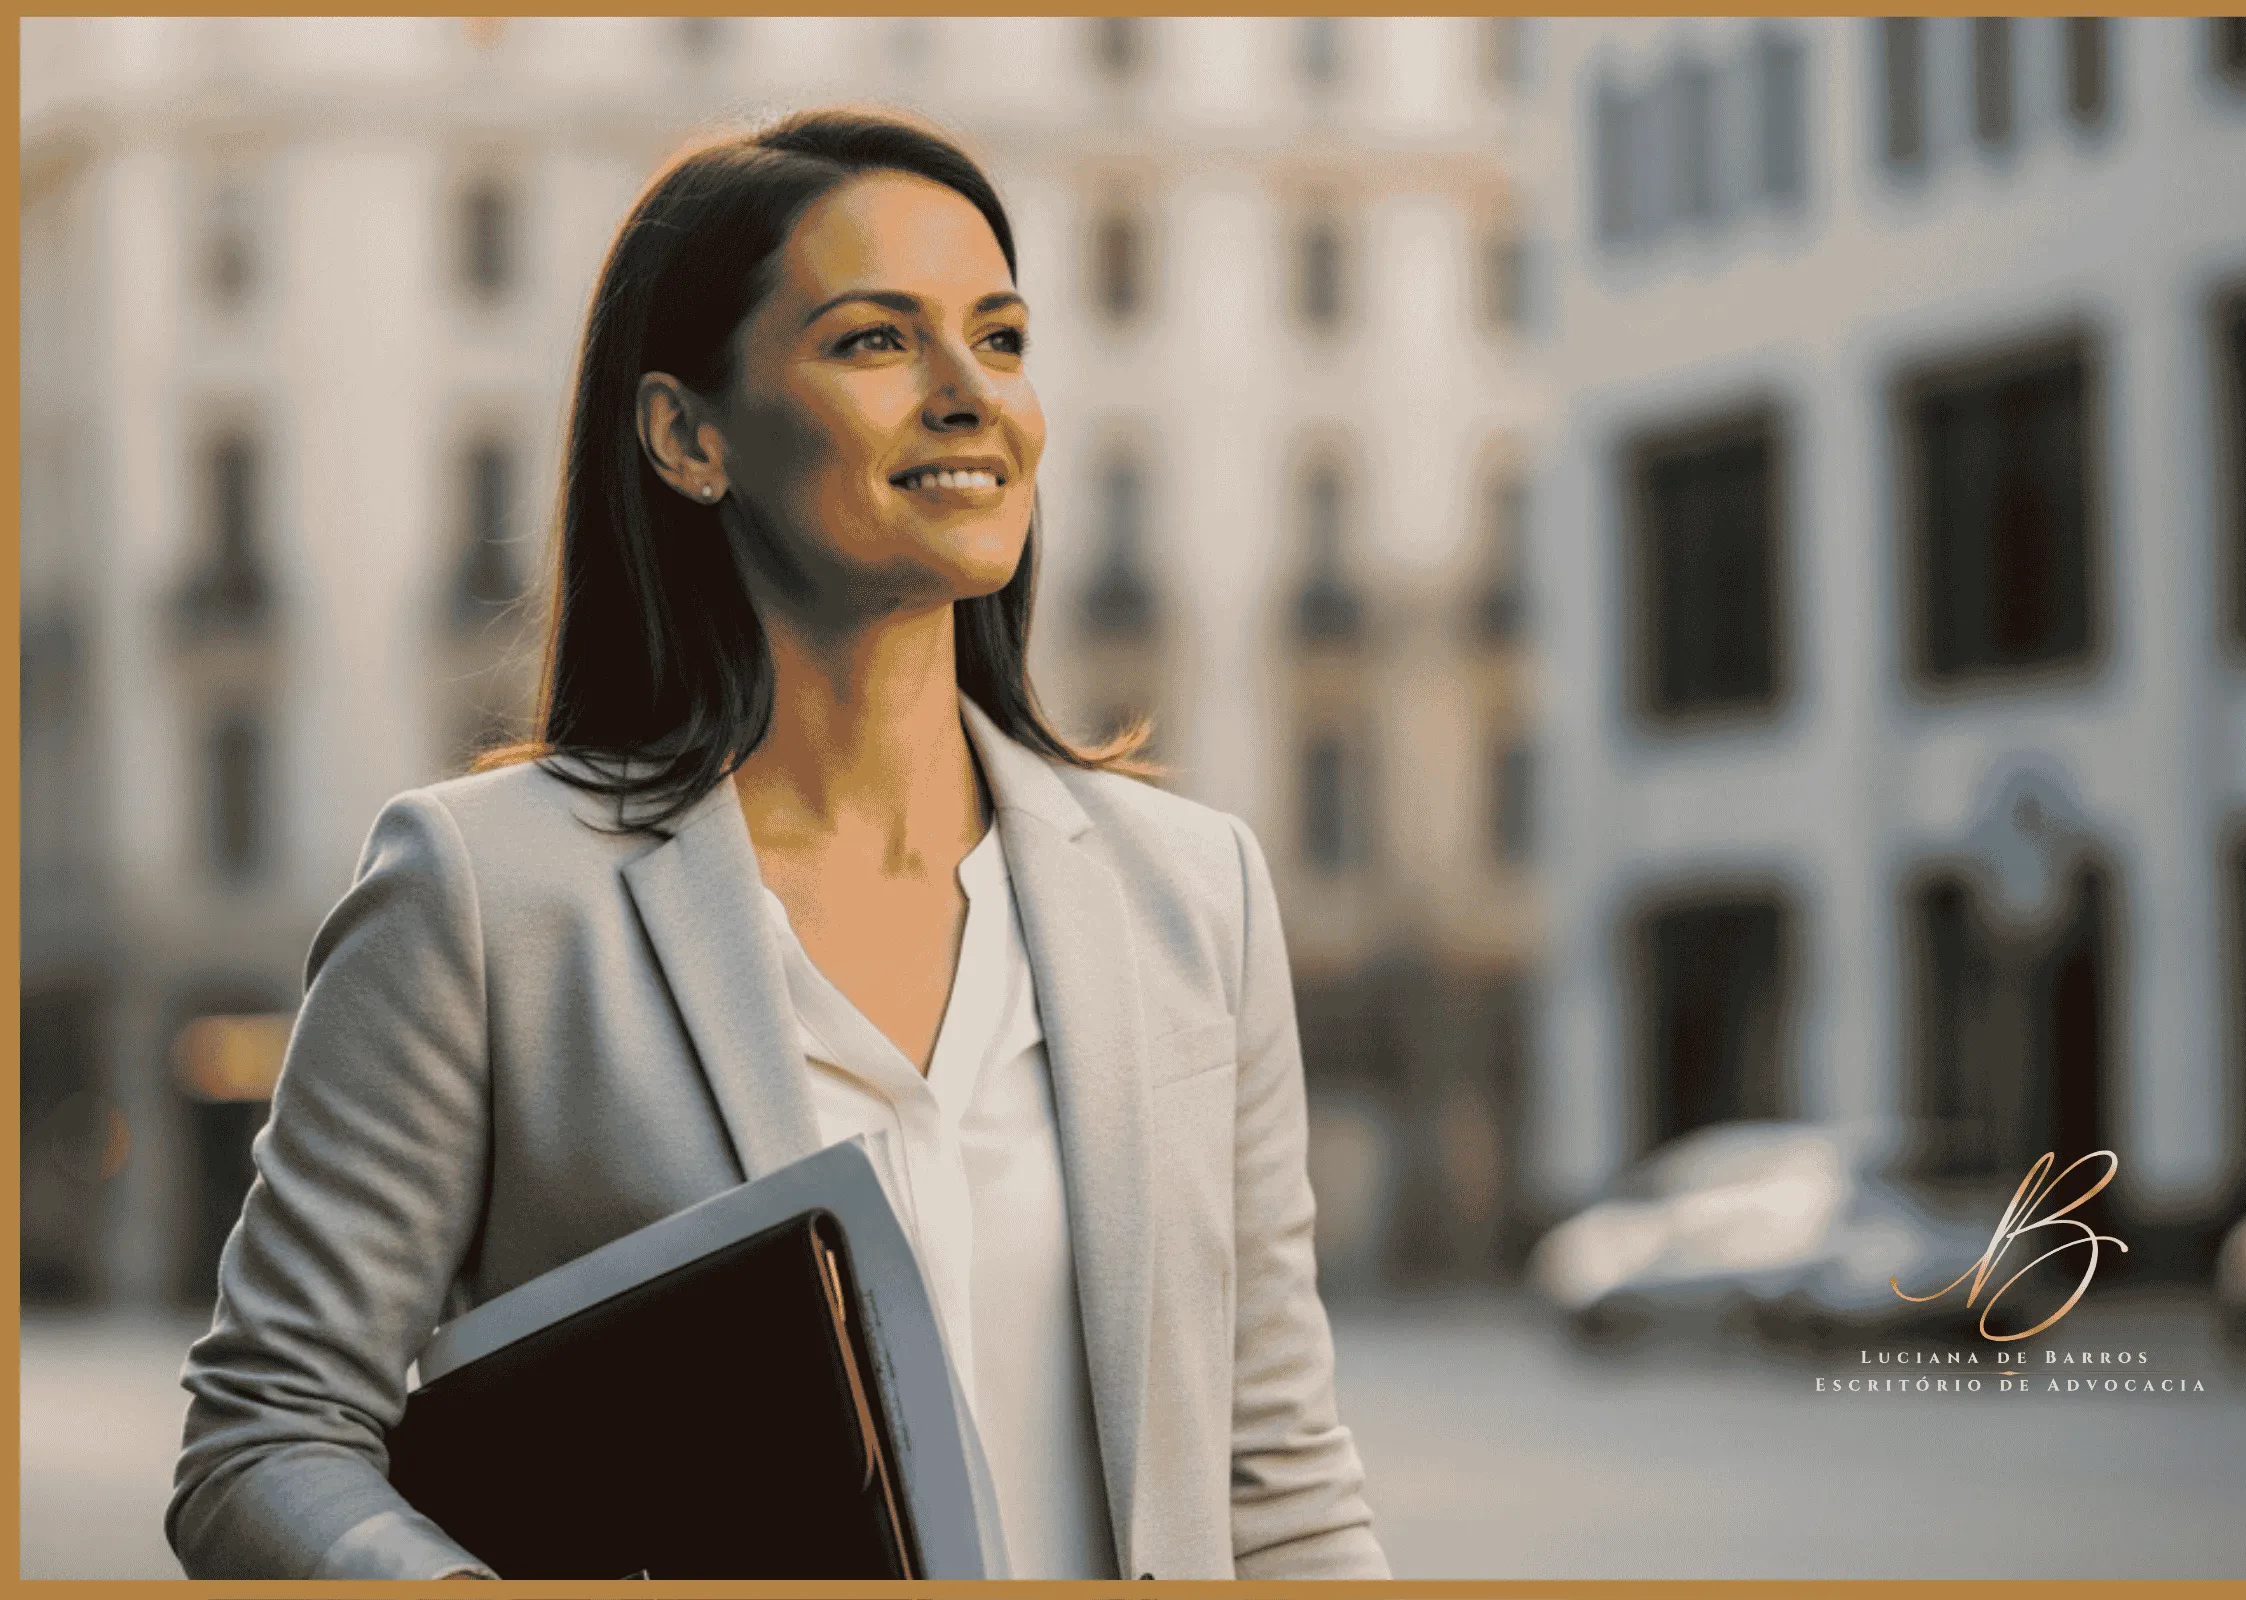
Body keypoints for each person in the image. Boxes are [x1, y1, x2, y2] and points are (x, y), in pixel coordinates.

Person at [167, 108, 1389, 1581]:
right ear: (689, 437)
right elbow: (264, 1439)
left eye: (1000, 339)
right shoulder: (486, 899)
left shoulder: (1194, 893)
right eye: (877, 341)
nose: (971, 396)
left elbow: (1280, 1486)